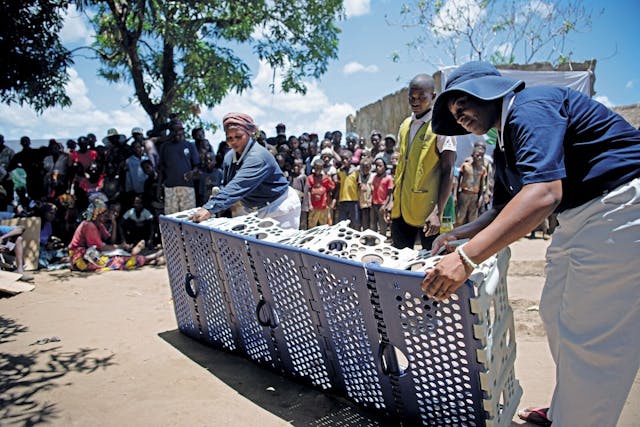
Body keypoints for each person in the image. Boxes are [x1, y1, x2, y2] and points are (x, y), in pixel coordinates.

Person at [425, 61, 640, 427]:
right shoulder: (503, 143)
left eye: (462, 106)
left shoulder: (530, 108)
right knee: (555, 314)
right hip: (583, 216)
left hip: (619, 205)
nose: (459, 117)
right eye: (453, 114)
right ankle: (568, 409)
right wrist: (459, 234)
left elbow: (542, 195)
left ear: (488, 91)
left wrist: (466, 258)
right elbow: (505, 208)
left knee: (590, 334)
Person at [189, 113, 301, 229]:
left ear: (249, 134)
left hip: (280, 208)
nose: (234, 142)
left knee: (276, 246)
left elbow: (239, 184)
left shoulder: (258, 156)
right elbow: (229, 186)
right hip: (254, 211)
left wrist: (210, 207)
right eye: (229, 138)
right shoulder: (229, 157)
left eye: (238, 136)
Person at [385, 73, 456, 250]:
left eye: (421, 98)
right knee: (399, 263)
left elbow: (448, 170)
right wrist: (392, 200)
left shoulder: (442, 126)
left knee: (430, 265)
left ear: (433, 97)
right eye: (412, 98)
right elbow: (400, 167)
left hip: (428, 211)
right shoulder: (405, 126)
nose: (415, 102)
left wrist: (437, 212)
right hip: (401, 209)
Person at [68, 199, 163, 272]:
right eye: (104, 213)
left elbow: (111, 241)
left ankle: (149, 260)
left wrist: (114, 223)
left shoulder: (99, 224)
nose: (106, 215)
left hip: (90, 255)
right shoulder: (89, 225)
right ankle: (149, 258)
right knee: (116, 261)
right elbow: (100, 248)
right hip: (81, 259)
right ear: (97, 214)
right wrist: (120, 247)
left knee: (117, 258)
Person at [158, 120, 200, 215]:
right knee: (171, 218)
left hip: (187, 187)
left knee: (188, 217)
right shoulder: (165, 147)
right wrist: (159, 189)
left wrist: (192, 172)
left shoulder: (190, 145)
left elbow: (197, 166)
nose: (177, 132)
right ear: (170, 131)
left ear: (183, 131)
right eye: (174, 130)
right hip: (170, 188)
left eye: (179, 130)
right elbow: (161, 169)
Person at [455, 145, 486, 226]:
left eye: (481, 156)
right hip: (464, 194)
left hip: (475, 196)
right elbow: (458, 181)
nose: (479, 157)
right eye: (477, 155)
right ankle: (457, 235)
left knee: (472, 218)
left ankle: (469, 237)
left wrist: (481, 197)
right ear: (473, 155)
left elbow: (482, 184)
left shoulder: (482, 169)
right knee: (460, 216)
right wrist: (455, 194)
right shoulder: (465, 166)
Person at [306, 158, 335, 228]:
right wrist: (310, 204)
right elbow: (308, 191)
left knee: (324, 225)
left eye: (320, 168)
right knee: (311, 225)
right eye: (316, 168)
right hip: (313, 206)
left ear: (322, 168)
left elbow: (332, 188)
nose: (318, 169)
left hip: (323, 206)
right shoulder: (310, 178)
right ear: (314, 168)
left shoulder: (326, 178)